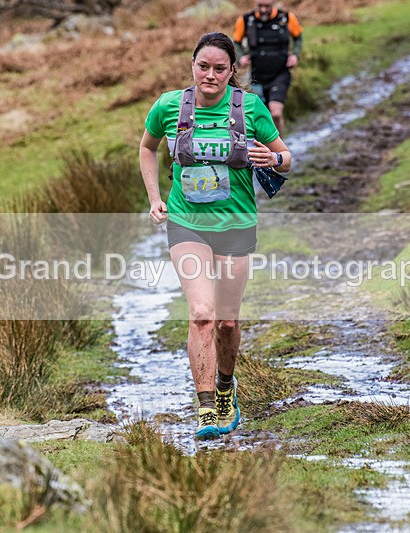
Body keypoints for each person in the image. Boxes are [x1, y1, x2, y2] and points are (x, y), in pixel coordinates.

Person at [139, 32, 292, 440]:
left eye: (219, 68)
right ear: (192, 66)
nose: (210, 75)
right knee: (202, 315)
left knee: (226, 321)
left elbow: (287, 159)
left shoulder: (250, 107)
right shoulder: (169, 106)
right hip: (187, 224)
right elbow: (147, 148)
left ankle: (226, 388)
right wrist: (156, 198)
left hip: (236, 226)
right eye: (203, 66)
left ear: (233, 70)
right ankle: (206, 408)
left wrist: (272, 158)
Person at [233, 0, 303, 137]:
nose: (263, 10)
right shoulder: (246, 20)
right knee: (259, 116)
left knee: (275, 113)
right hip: (256, 76)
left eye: (267, 6)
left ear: (274, 4)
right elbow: (236, 42)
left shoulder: (286, 18)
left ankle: (280, 151)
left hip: (280, 74)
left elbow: (298, 37)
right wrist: (240, 57)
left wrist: (295, 55)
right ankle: (262, 149)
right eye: (260, 6)